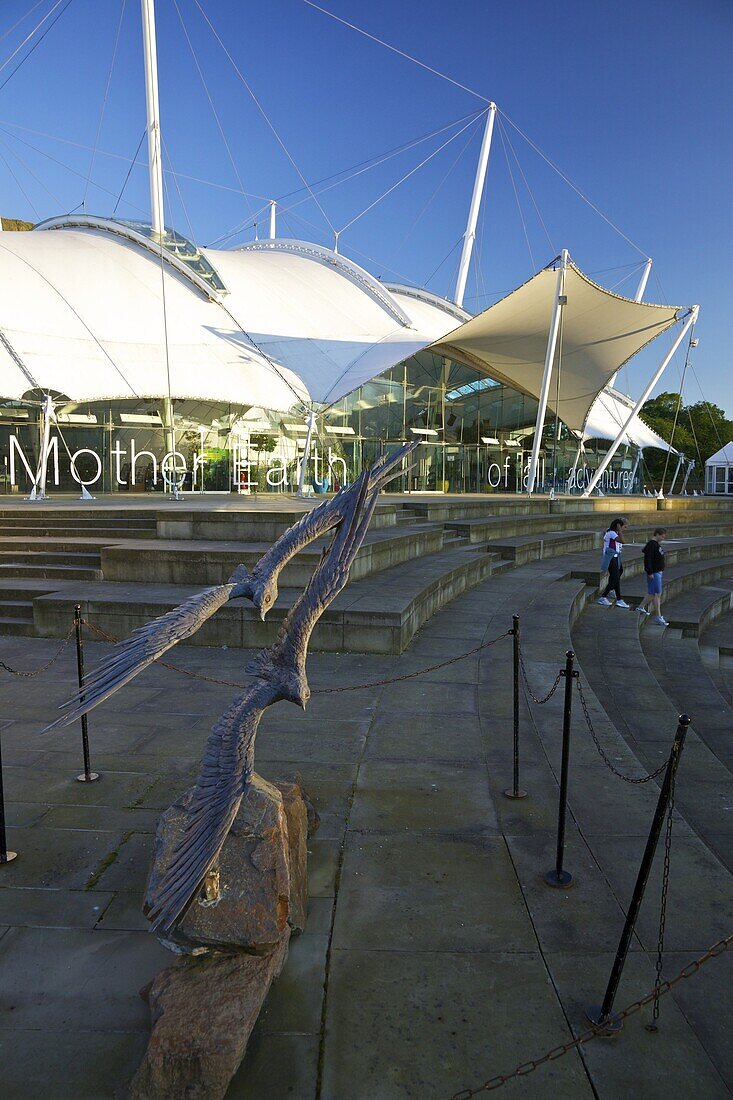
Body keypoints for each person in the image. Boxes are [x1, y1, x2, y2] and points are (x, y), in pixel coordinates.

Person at [636, 527, 668, 626]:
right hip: (654, 573)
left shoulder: (655, 545)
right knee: (657, 594)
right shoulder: (651, 545)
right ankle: (658, 617)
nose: (663, 538)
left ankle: (640, 607)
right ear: (657, 534)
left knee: (652, 593)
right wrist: (650, 572)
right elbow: (648, 559)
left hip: (657, 572)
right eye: (662, 536)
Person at [598, 517, 630, 608]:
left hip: (615, 556)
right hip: (611, 557)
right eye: (624, 526)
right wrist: (619, 531)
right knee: (615, 577)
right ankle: (604, 596)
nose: (625, 528)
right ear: (618, 526)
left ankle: (617, 597)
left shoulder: (613, 532)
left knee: (617, 574)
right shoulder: (612, 533)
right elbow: (623, 541)